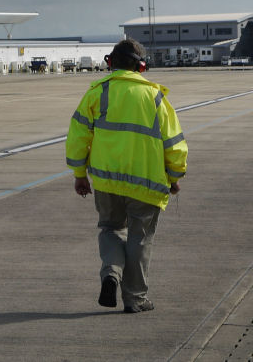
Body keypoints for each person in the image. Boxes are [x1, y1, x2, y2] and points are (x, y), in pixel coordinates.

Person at [66, 38, 188, 313]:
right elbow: (174, 143)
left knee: (110, 229)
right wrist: (175, 175)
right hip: (146, 183)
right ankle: (135, 298)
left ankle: (111, 272)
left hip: (107, 182)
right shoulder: (155, 97)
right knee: (140, 238)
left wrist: (79, 174)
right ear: (141, 67)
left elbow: (77, 135)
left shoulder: (97, 93)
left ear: (110, 63)